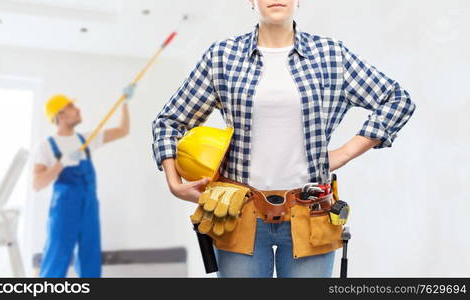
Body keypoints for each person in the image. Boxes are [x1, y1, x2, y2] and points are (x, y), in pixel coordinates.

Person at [152, 0, 415, 277]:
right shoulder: (222, 57)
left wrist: (346, 152)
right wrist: (174, 182)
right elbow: (169, 122)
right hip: (239, 217)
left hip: (310, 215)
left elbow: (397, 100)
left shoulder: (331, 55)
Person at [33, 85, 133, 278]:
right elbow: (36, 184)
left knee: (90, 260)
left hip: (89, 207)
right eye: (72, 106)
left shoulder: (87, 139)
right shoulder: (46, 146)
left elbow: (123, 130)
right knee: (56, 258)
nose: (78, 109)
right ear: (60, 115)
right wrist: (60, 165)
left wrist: (125, 103)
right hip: (64, 211)